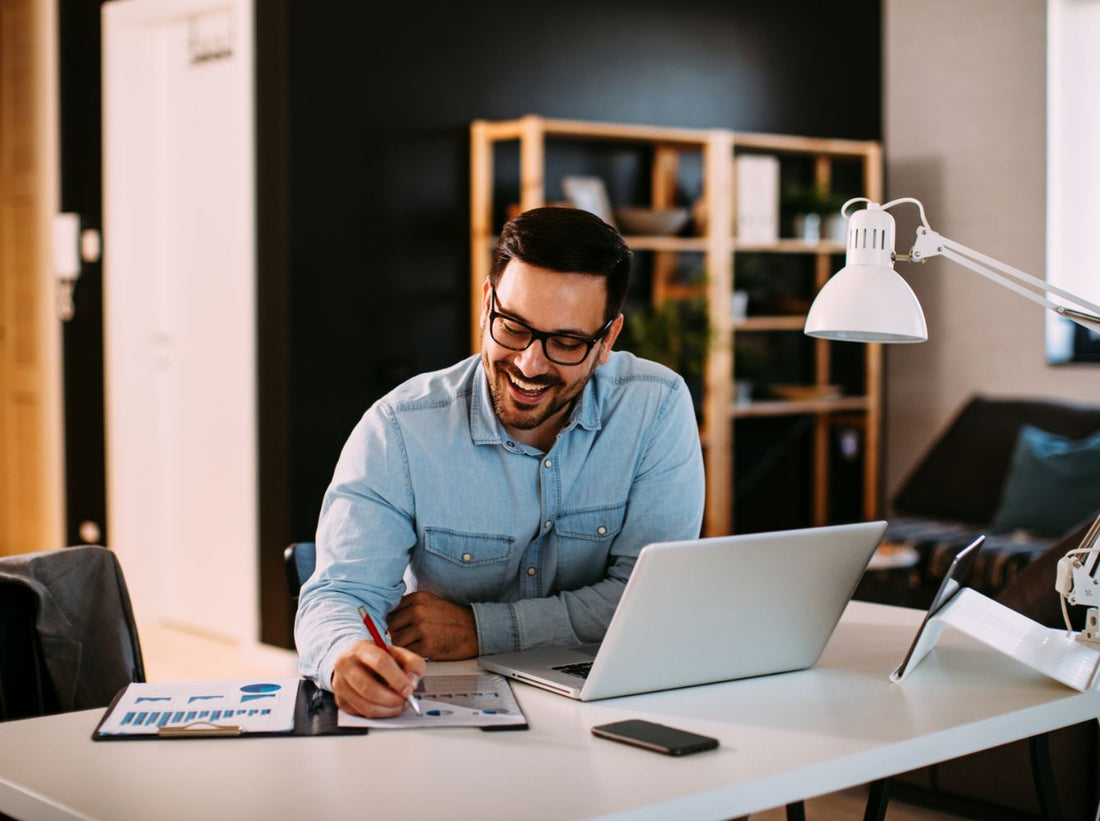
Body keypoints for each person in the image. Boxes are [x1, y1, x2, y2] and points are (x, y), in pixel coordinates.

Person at [295, 206, 705, 717]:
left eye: (567, 342)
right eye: (512, 326)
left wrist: (479, 629)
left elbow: (645, 598)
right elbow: (338, 595)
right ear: (487, 302)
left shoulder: (656, 407)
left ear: (607, 340)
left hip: (612, 702)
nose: (530, 364)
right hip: (451, 716)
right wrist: (345, 655)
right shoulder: (399, 429)